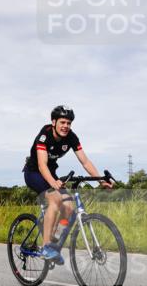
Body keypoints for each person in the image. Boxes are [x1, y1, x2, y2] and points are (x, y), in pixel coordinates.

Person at [23, 105, 112, 264]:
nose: (66, 126)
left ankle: (54, 242)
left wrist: (100, 179)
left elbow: (85, 161)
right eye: (62, 122)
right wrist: (53, 183)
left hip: (51, 174)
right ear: (54, 122)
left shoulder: (71, 137)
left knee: (69, 207)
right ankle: (46, 247)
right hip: (34, 173)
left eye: (69, 123)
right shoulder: (44, 135)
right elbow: (42, 165)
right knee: (55, 200)